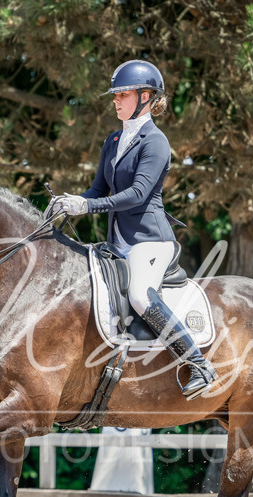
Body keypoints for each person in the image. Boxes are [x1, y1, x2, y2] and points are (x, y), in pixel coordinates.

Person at [49, 59, 217, 400]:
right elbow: (98, 190)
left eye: (122, 94)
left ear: (146, 97)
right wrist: (72, 200)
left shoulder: (155, 142)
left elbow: (138, 194)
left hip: (150, 241)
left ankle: (198, 363)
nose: (115, 101)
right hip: (118, 242)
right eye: (115, 95)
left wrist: (88, 207)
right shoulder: (113, 140)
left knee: (140, 294)